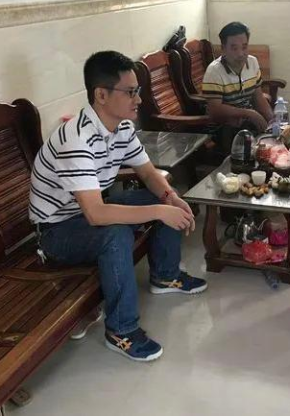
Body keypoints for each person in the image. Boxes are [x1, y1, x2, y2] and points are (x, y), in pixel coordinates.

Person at [28, 50, 207, 362]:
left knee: (163, 195)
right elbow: (96, 214)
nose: (139, 99)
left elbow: (148, 173)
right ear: (101, 95)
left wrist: (170, 198)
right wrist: (160, 211)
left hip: (87, 212)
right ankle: (121, 331)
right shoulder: (76, 140)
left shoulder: (121, 127)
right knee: (116, 234)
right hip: (56, 232)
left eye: (138, 91)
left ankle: (165, 276)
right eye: (131, 92)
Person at [201, 21, 274, 152]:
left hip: (246, 123)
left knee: (273, 143)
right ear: (223, 48)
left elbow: (258, 98)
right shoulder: (214, 71)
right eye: (234, 48)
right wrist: (249, 113)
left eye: (244, 47)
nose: (241, 54)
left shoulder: (252, 62)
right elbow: (214, 110)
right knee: (255, 147)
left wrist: (274, 123)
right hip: (223, 128)